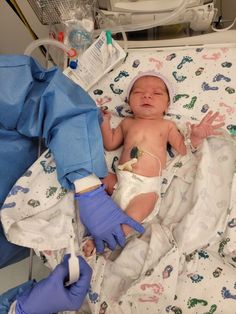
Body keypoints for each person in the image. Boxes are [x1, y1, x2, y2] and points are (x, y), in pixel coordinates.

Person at [0, 55, 144, 312]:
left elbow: (52, 97)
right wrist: (21, 309)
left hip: (67, 159)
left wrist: (86, 182)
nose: (148, 96)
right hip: (40, 228)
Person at [83, 71, 225, 256]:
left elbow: (183, 150)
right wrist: (104, 122)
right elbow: (109, 144)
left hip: (145, 190)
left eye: (157, 93)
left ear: (166, 106)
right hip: (120, 181)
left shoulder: (166, 126)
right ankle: (93, 219)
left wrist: (196, 136)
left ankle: (105, 238)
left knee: (137, 212)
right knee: (93, 179)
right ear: (129, 102)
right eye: (138, 92)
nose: (147, 95)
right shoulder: (127, 123)